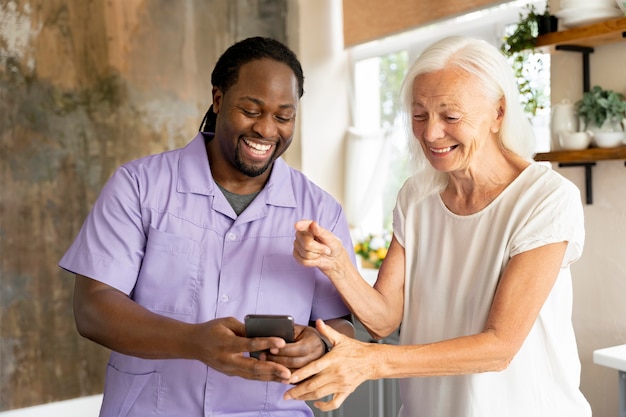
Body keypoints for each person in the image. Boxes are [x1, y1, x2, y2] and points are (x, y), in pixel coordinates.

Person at [287, 35, 591, 417]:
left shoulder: (545, 198)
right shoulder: (416, 196)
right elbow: (383, 320)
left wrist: (373, 362)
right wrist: (337, 264)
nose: (430, 133)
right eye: (419, 115)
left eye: (450, 117)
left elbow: (499, 347)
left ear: (498, 113)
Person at [59, 36, 355, 417]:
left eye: (284, 117)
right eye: (251, 110)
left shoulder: (320, 210)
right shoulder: (138, 185)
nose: (266, 130)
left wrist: (321, 343)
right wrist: (193, 341)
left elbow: (338, 323)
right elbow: (92, 307)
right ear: (218, 100)